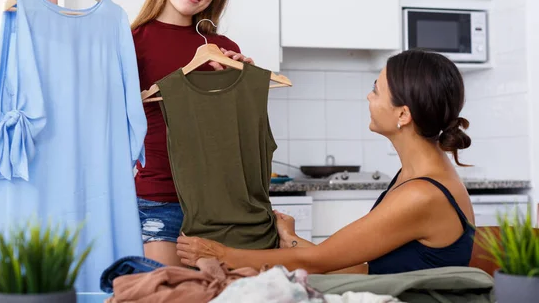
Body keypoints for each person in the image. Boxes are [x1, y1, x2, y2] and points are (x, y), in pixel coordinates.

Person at [25, 0, 253, 266]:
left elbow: (239, 138)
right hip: (157, 201)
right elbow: (68, 90)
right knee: (168, 294)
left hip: (219, 207)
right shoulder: (129, 41)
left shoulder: (224, 50)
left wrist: (240, 86)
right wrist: (47, 9)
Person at [177, 49, 476, 275]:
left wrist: (221, 253)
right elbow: (361, 267)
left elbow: (318, 261)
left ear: (403, 115)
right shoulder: (416, 176)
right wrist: (291, 240)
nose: (368, 97)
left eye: (376, 89)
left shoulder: (422, 194)